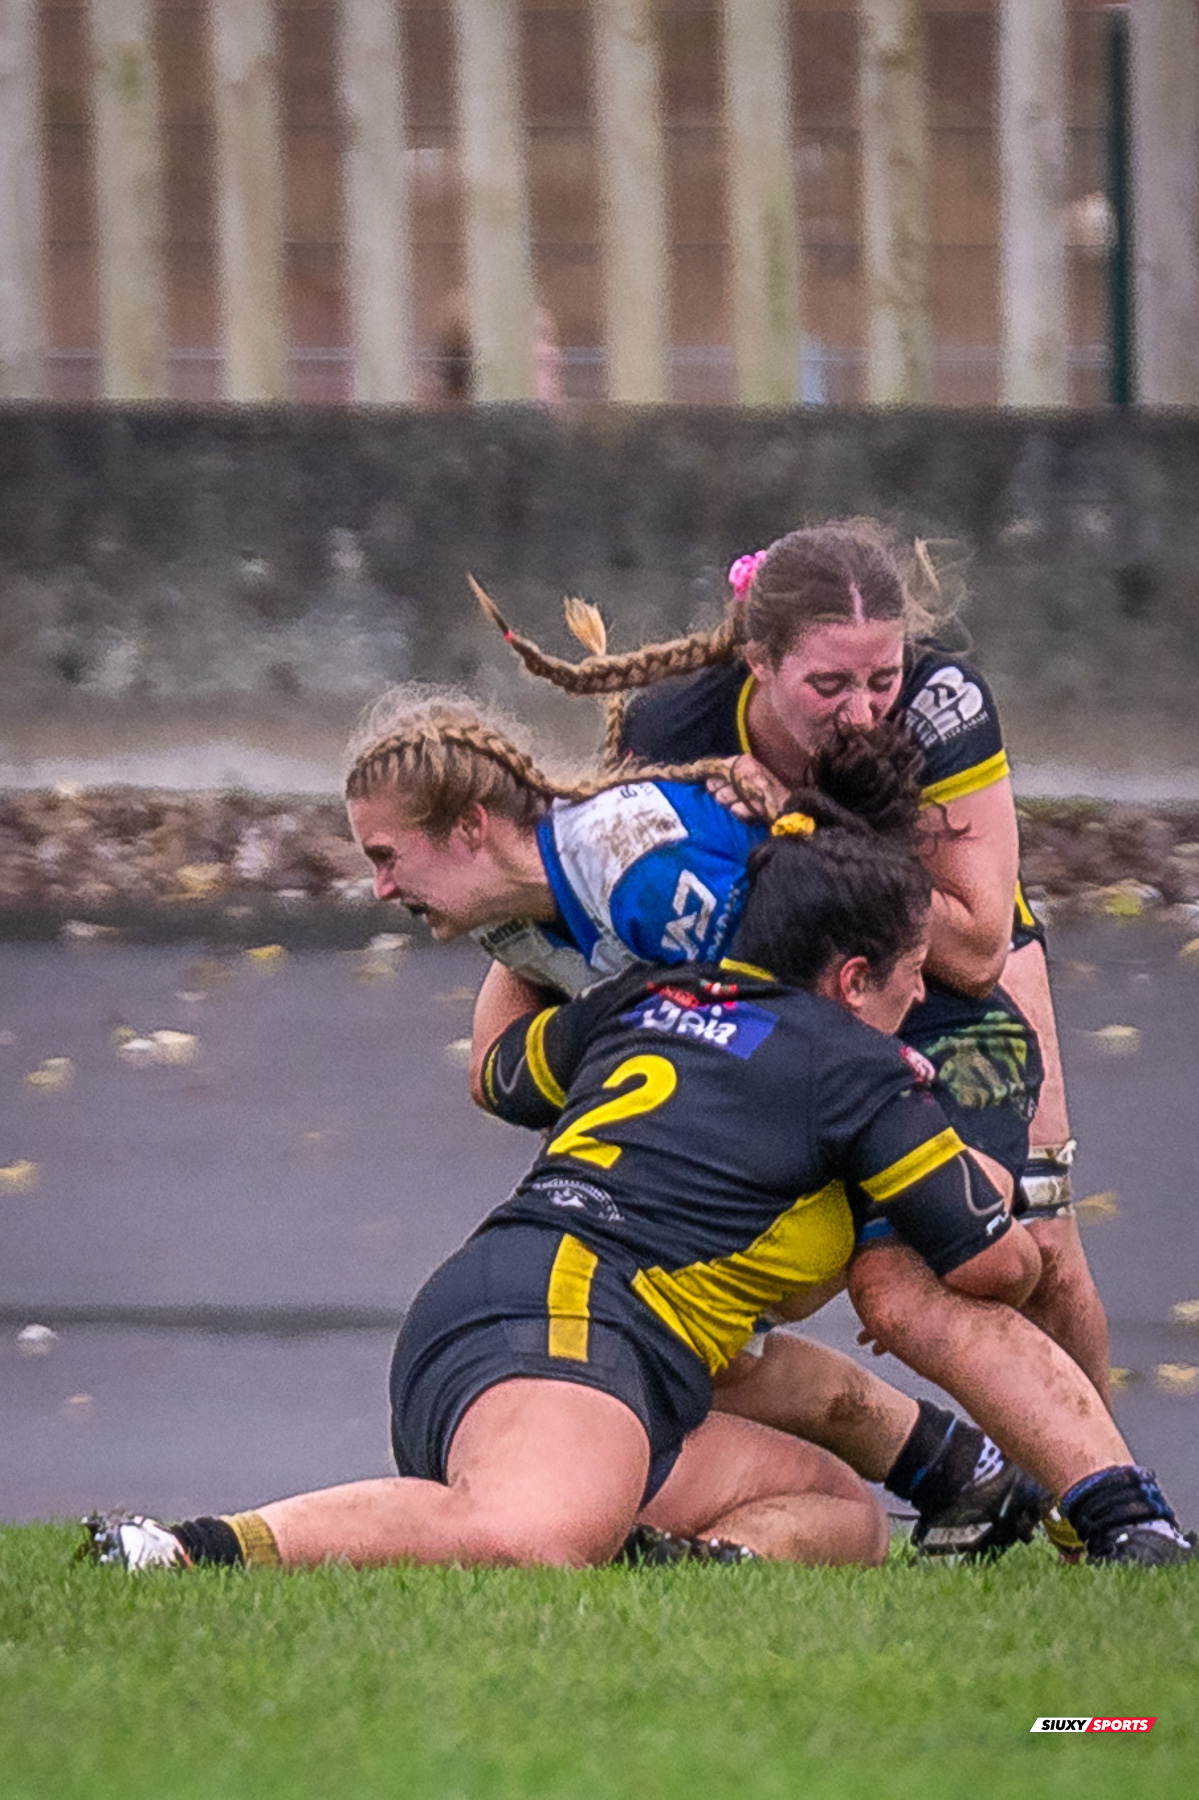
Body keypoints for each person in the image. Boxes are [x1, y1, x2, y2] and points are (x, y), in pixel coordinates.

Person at [83, 763, 1190, 1572]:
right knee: (532, 1539)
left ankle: (715, 1558)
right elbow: (995, 1272)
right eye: (910, 973)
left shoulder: (643, 995)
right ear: (854, 978)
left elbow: (502, 1072)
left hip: (530, 1329)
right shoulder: (861, 1068)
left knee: (836, 1521)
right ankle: (187, 1551)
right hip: (567, 1329)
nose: (921, 996)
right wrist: (995, 1189)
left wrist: (522, 916)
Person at [340, 695, 1052, 1556]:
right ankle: (972, 1477)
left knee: (988, 1273)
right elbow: (498, 1075)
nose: (380, 887)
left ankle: (1098, 1515)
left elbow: (752, 1016)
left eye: (386, 856)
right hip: (823, 1059)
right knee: (723, 1353)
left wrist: (876, 1145)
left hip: (886, 1042)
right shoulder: (515, 905)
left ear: (469, 827)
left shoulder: (639, 881)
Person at [470, 521, 1110, 1420]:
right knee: (728, 1276)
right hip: (799, 990)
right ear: (758, 662)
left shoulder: (941, 703)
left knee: (1041, 1244)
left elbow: (974, 948)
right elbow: (604, 885)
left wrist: (797, 820)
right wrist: (514, 940)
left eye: (881, 679)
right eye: (829, 685)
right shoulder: (671, 724)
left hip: (951, 972)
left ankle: (1103, 1477)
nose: (862, 712)